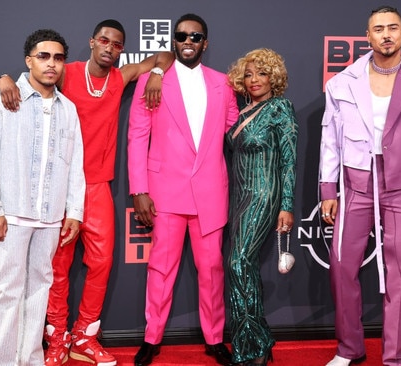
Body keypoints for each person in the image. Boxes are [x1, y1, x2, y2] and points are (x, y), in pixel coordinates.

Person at [0, 19, 174, 366]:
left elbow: (165, 56)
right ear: (93, 42)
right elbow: (30, 75)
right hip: (60, 186)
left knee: (102, 263)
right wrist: (3, 79)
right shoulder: (67, 72)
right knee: (57, 264)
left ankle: (84, 336)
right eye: (105, 40)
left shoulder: (121, 77)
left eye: (118, 44)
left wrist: (156, 73)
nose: (110, 47)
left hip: (98, 187)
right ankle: (57, 337)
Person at [318, 6, 401, 366]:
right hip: (355, 185)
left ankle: (394, 355)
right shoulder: (343, 81)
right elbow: (330, 138)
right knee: (343, 267)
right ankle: (349, 349)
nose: (386, 34)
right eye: (379, 29)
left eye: (393, 28)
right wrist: (327, 189)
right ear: (368, 36)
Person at [128, 13, 239, 366]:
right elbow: (137, 137)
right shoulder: (151, 80)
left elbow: (235, 130)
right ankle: (151, 337)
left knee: (212, 270)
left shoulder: (223, 83)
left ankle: (215, 338)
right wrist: (139, 190)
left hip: (210, 191)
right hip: (164, 192)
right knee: (161, 268)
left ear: (205, 43)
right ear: (173, 41)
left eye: (195, 36)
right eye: (181, 36)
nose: (188, 41)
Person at [0, 29, 85, 366]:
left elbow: (75, 163)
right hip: (11, 215)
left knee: (40, 290)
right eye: (43, 56)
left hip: (51, 217)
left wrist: (75, 211)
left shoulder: (68, 109)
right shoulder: (2, 101)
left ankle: (30, 360)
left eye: (58, 57)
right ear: (29, 60)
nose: (51, 64)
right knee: (5, 292)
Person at [225, 48, 298, 366]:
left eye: (262, 73)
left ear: (274, 78)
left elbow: (289, 160)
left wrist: (286, 205)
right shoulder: (240, 112)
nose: (254, 80)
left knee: (238, 263)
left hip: (264, 195)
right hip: (238, 197)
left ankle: (251, 346)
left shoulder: (281, 108)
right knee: (244, 266)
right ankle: (258, 341)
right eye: (249, 74)